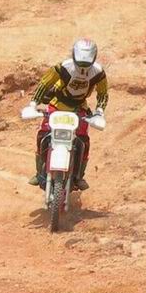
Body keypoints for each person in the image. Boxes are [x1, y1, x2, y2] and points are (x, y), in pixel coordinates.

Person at [26, 38, 108, 190]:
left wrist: (99, 112)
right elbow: (45, 83)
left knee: (83, 139)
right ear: (74, 57)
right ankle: (39, 173)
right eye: (80, 63)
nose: (83, 69)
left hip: (80, 108)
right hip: (57, 104)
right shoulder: (63, 67)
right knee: (43, 133)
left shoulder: (98, 73)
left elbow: (103, 93)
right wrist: (33, 104)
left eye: (86, 65)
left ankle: (78, 177)